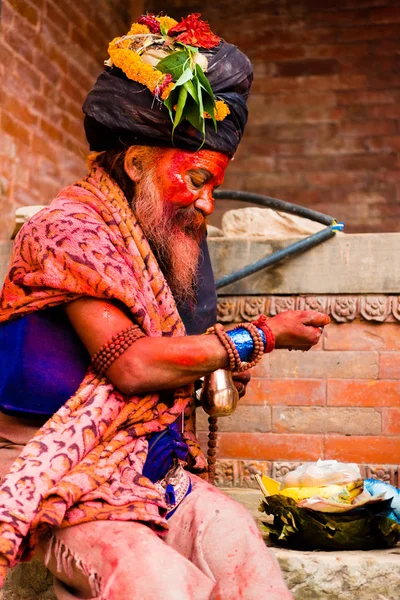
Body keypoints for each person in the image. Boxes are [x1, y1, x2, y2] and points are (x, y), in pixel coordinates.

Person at [0, 13, 330, 599]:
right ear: (135, 165)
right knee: (159, 583)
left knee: (243, 554)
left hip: (150, 471)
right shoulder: (67, 230)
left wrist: (211, 368)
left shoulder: (160, 237)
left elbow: (167, 361)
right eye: (198, 178)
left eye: (214, 186)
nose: (206, 203)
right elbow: (131, 363)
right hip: (59, 475)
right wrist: (260, 336)